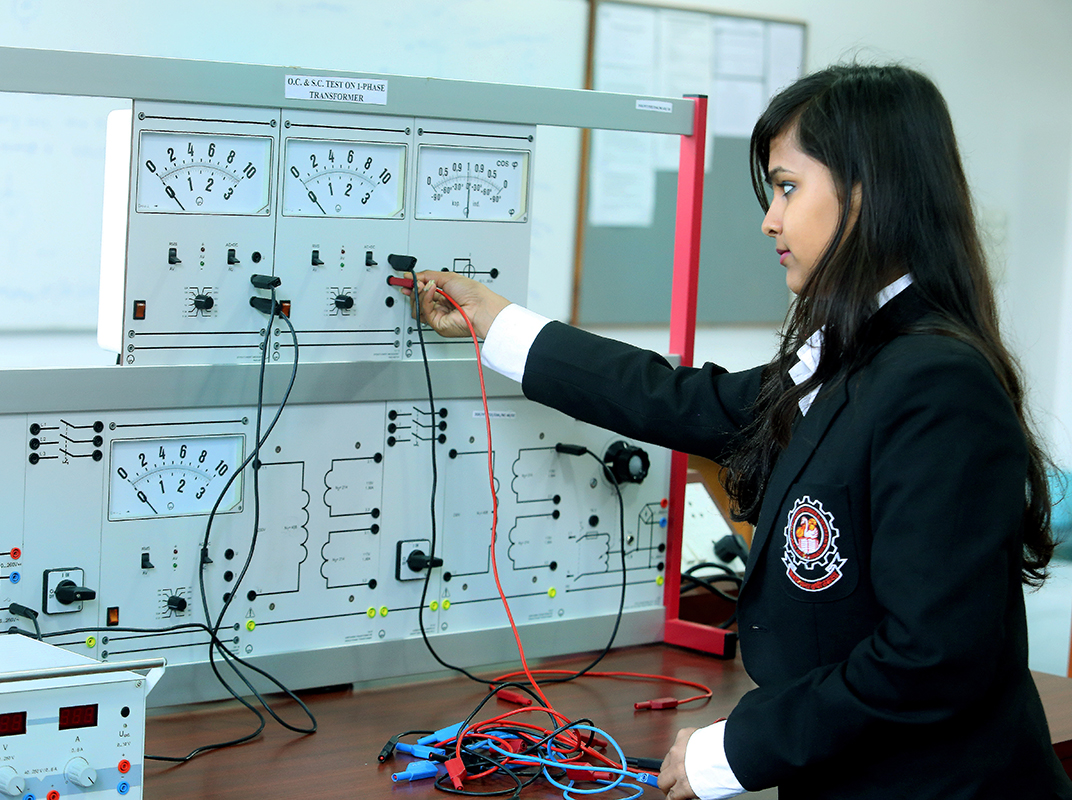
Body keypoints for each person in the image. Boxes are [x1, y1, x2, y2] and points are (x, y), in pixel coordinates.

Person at [405, 64, 1072, 799]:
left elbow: (931, 661)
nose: (770, 220)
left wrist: (735, 750)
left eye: (787, 187)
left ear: (865, 192)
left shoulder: (938, 384)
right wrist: (495, 322)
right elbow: (678, 399)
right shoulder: (852, 357)